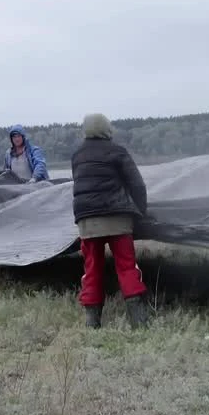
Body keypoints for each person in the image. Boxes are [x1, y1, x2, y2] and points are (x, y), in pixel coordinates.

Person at [70, 113, 149, 327]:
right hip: (118, 218)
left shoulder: (77, 155)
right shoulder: (117, 152)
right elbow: (138, 185)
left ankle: (92, 323)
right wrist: (140, 212)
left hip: (87, 221)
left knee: (92, 270)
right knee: (126, 267)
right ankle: (139, 322)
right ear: (108, 129)